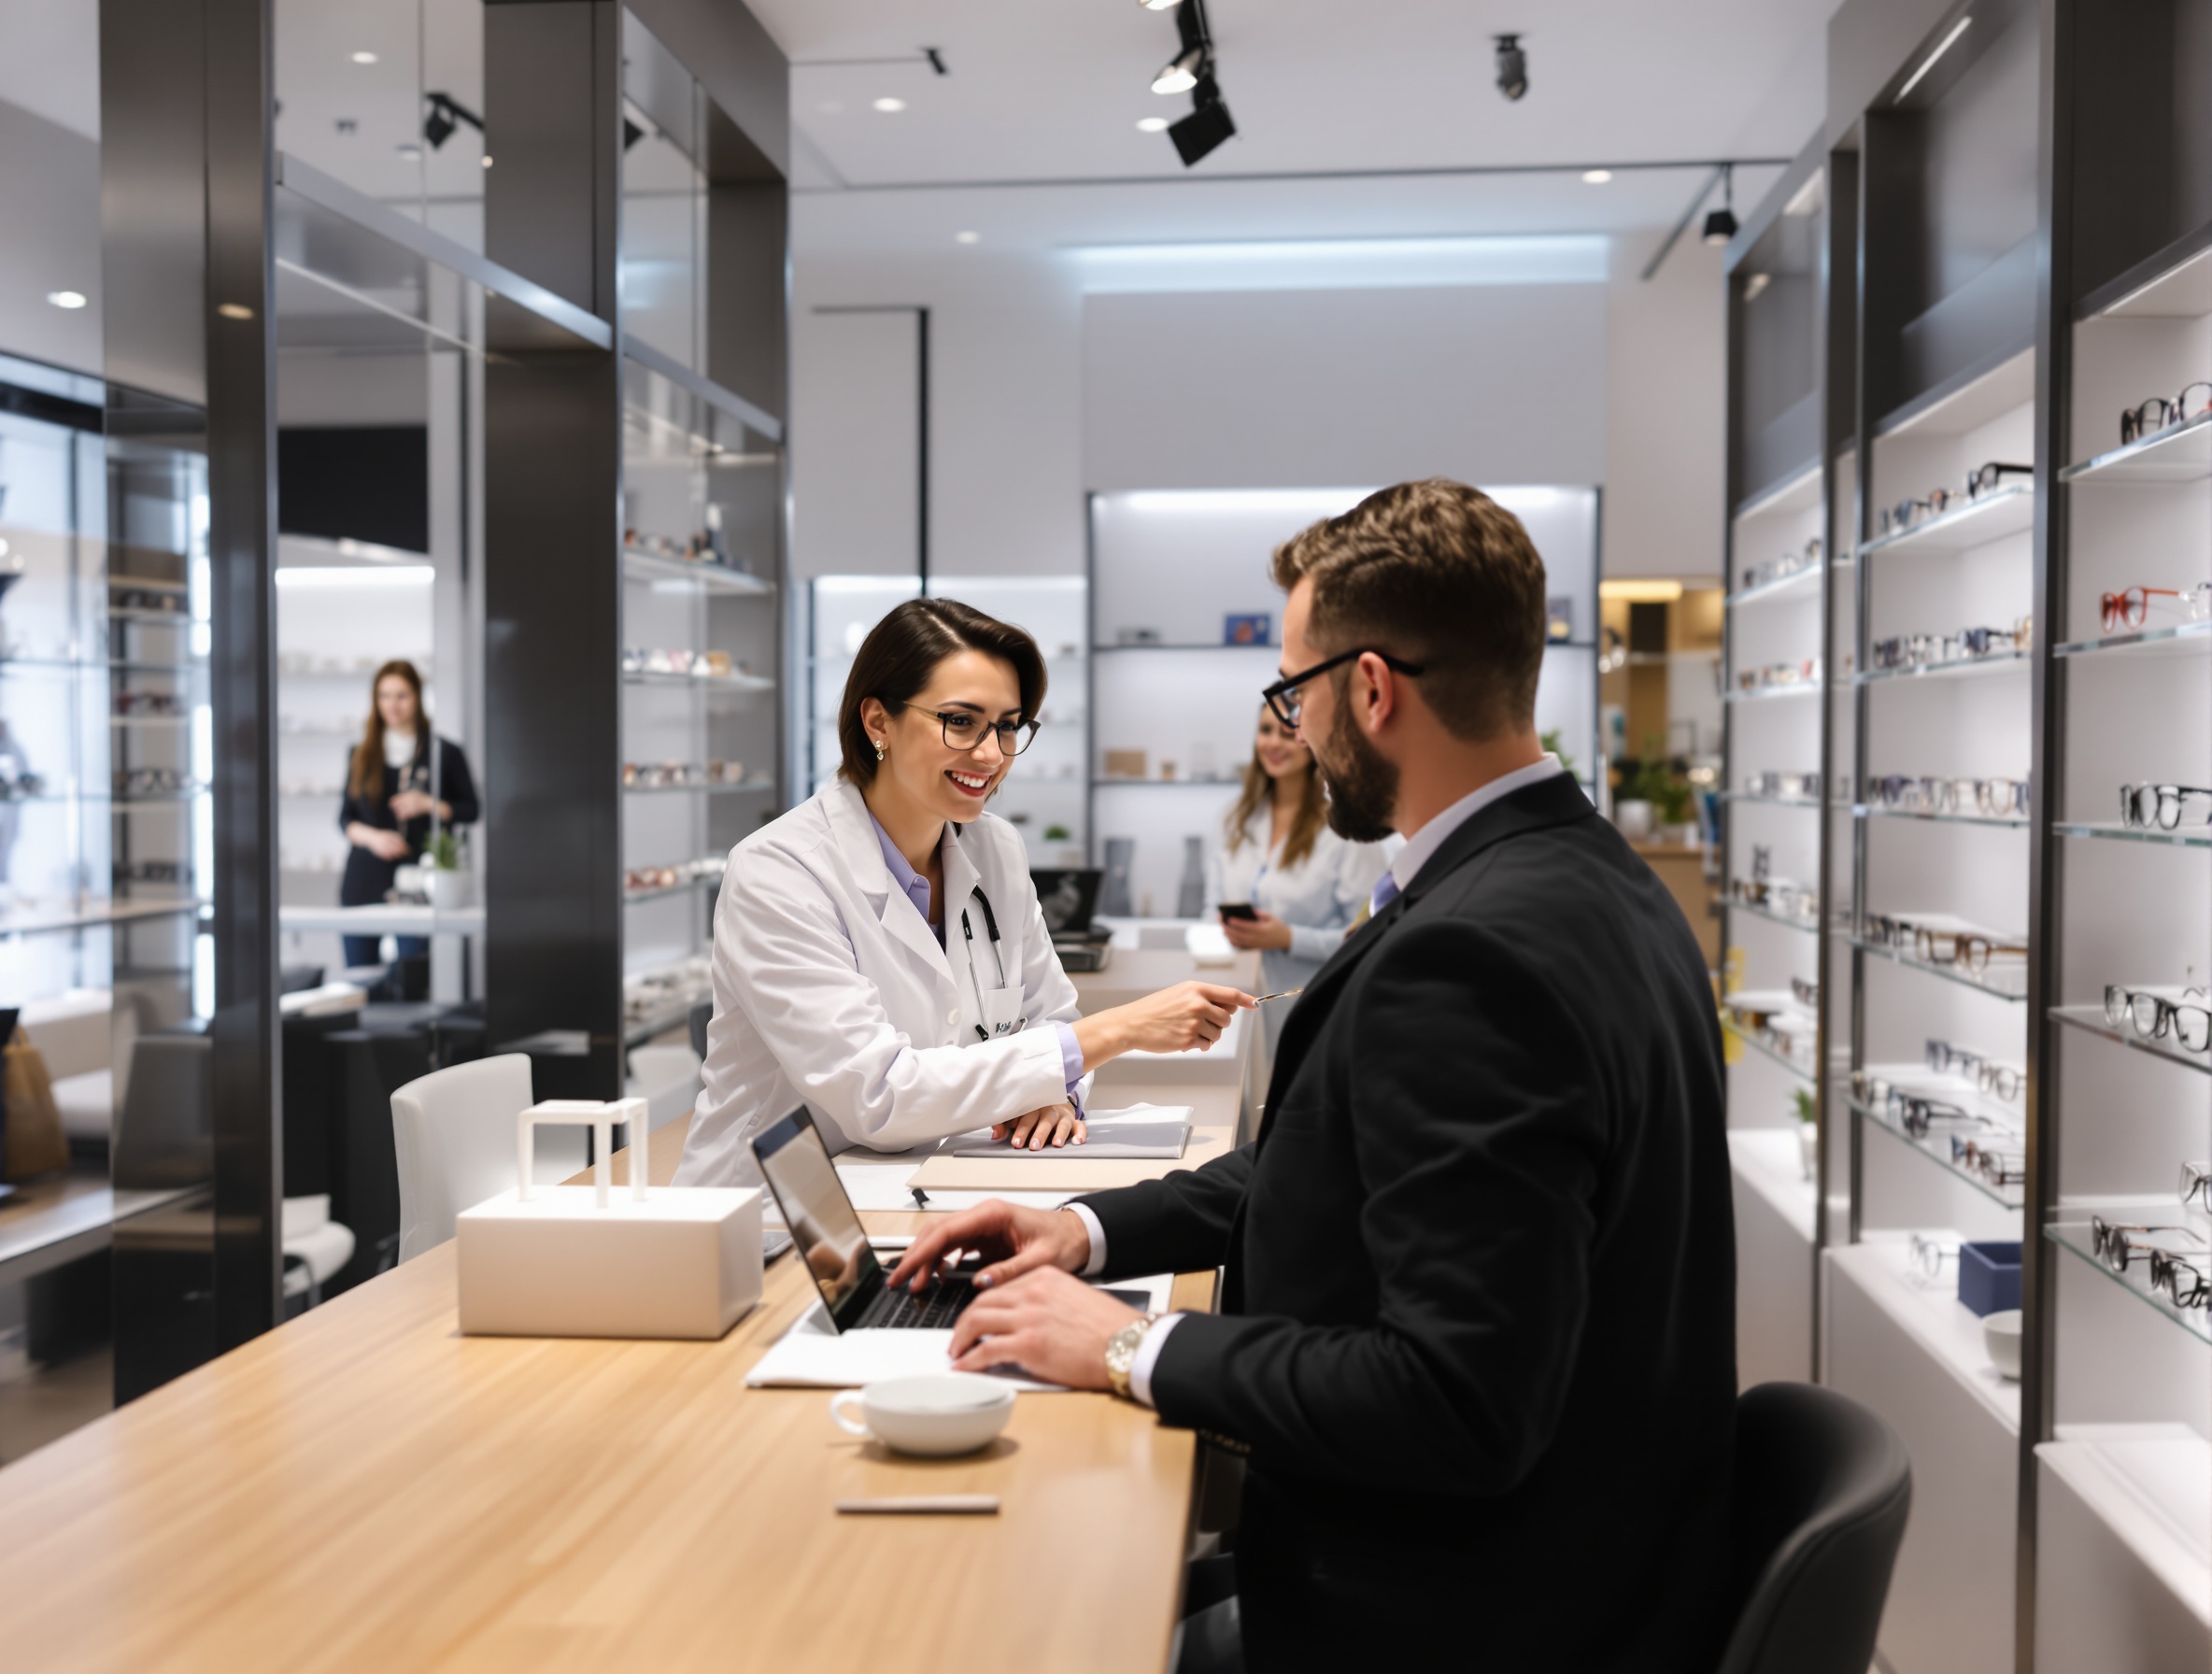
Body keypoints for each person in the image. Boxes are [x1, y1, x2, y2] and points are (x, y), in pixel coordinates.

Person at [890, 481, 1737, 1672]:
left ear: (1372, 689)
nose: (1290, 722)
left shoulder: (1473, 951)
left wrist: (1129, 1350)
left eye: (1295, 689)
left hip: (1454, 1615)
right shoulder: (1593, 880)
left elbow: (1455, 1401)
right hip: (1585, 1569)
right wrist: (1077, 1232)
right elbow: (1329, 1164)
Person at [673, 597, 1255, 1185]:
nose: (990, 754)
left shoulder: (995, 849)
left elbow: (1048, 1018)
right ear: (879, 722)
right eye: (960, 721)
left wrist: (1053, 1098)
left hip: (930, 1186)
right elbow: (881, 1096)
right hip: (772, 1219)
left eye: (1007, 726)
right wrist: (1117, 1030)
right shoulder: (779, 870)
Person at [1208, 705, 1396, 1056]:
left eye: (1286, 732)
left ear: (1310, 738)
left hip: (1312, 1007)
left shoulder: (1344, 829)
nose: (1274, 743)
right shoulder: (1234, 820)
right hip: (1234, 1009)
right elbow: (1210, 910)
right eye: (1265, 731)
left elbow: (1370, 936)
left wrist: (1288, 938)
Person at [338, 659, 477, 971]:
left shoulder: (443, 752)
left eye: (402, 695)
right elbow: (345, 819)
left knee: (411, 980)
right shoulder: (361, 754)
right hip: (364, 879)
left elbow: (472, 810)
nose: (393, 705)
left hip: (418, 883)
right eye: (385, 695)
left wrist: (430, 804)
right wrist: (373, 838)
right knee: (361, 980)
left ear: (417, 696)